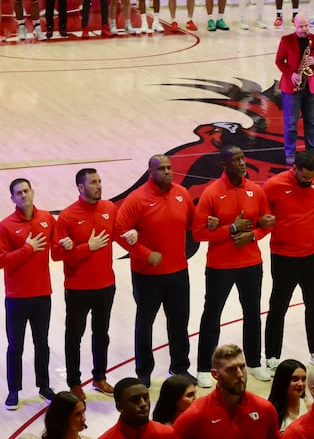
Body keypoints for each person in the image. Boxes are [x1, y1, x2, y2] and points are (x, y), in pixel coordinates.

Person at [191, 146, 273, 388]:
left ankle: (255, 362)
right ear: (224, 165)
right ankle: (204, 367)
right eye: (235, 160)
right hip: (220, 266)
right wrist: (232, 229)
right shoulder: (211, 193)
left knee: (252, 313)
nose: (242, 163)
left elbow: (267, 222)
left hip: (251, 263)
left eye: (243, 158)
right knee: (212, 315)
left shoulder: (256, 190)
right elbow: (198, 233)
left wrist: (253, 236)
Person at [115, 155, 194, 388]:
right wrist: (144, 253)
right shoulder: (137, 199)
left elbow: (193, 221)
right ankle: (144, 372)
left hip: (178, 271)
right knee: (145, 323)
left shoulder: (182, 193)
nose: (167, 172)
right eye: (162, 169)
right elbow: (119, 230)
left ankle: (180, 367)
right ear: (151, 172)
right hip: (147, 275)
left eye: (169, 168)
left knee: (179, 322)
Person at [52, 168, 118, 400]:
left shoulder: (110, 208)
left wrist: (133, 236)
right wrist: (86, 247)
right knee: (74, 336)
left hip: (106, 285)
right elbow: (56, 254)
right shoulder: (68, 216)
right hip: (78, 288)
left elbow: (119, 233)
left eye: (100, 181)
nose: (99, 185)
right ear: (81, 187)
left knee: (102, 334)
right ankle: (74, 382)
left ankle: (100, 378)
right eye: (93, 182)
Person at [262, 151, 314, 369]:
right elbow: (259, 215)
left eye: (312, 177)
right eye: (304, 177)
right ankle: (272, 356)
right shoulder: (273, 185)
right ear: (295, 169)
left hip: (313, 254)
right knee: (278, 307)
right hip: (284, 257)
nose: (309, 181)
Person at [0, 178, 57, 410]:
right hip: (16, 297)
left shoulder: (47, 219)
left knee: (42, 343)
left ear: (33, 192)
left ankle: (44, 386)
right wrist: (27, 249)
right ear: (12, 198)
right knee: (16, 346)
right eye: (18, 193)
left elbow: (58, 247)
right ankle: (14, 390)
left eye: (26, 190)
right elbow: (1, 260)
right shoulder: (5, 226)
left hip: (43, 294)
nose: (23, 195)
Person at [174, 344, 280, 439]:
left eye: (242, 367)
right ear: (215, 374)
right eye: (232, 369)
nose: (240, 375)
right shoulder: (195, 414)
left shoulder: (265, 409)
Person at [276, 14, 314, 165]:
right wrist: (290, 74)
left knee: (311, 123)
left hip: (310, 87)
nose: (304, 29)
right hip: (292, 87)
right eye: (301, 26)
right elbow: (279, 61)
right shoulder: (286, 40)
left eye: (306, 26)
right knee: (291, 124)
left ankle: (312, 152)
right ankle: (290, 153)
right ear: (294, 25)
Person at [99, 378, 176, 438]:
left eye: (146, 398)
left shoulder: (168, 434)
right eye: (135, 400)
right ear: (119, 407)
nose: (143, 404)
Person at [267, 359, 309, 431]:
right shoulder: (269, 412)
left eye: (303, 379)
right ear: (282, 381)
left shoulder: (310, 407)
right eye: (295, 379)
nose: (301, 384)